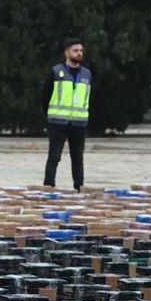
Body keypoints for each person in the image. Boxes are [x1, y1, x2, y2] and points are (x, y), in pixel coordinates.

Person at [40, 38, 92, 190]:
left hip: (79, 123)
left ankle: (79, 188)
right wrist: (48, 115)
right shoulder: (56, 72)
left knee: (78, 158)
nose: (79, 53)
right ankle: (48, 187)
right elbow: (45, 96)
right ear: (67, 52)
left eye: (81, 50)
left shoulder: (87, 74)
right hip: (58, 122)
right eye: (75, 50)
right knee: (54, 157)